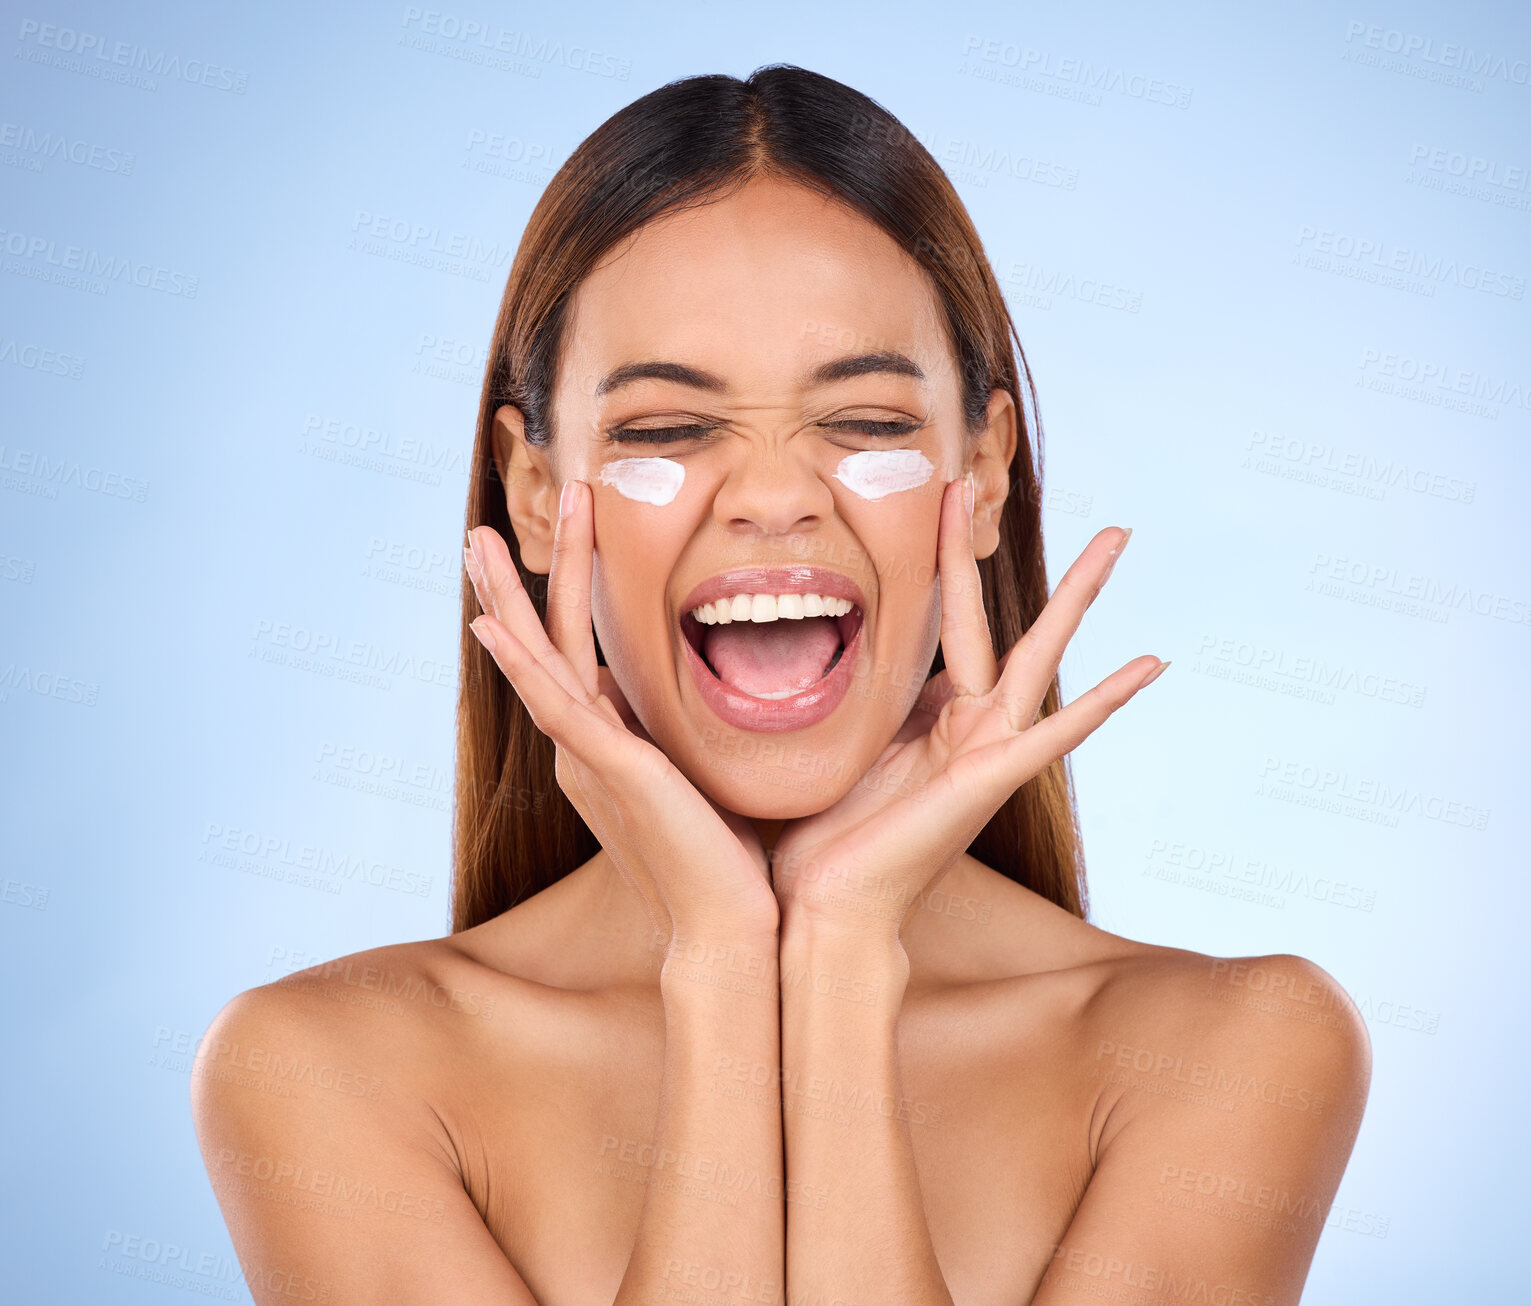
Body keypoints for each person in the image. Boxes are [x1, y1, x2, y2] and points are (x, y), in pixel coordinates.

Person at [192, 65, 1370, 1306]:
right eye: (665, 431)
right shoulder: (321, 1072)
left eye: (863, 422)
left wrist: (847, 958)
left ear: (983, 463)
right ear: (536, 493)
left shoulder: (1236, 1054)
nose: (769, 494)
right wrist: (717, 960)